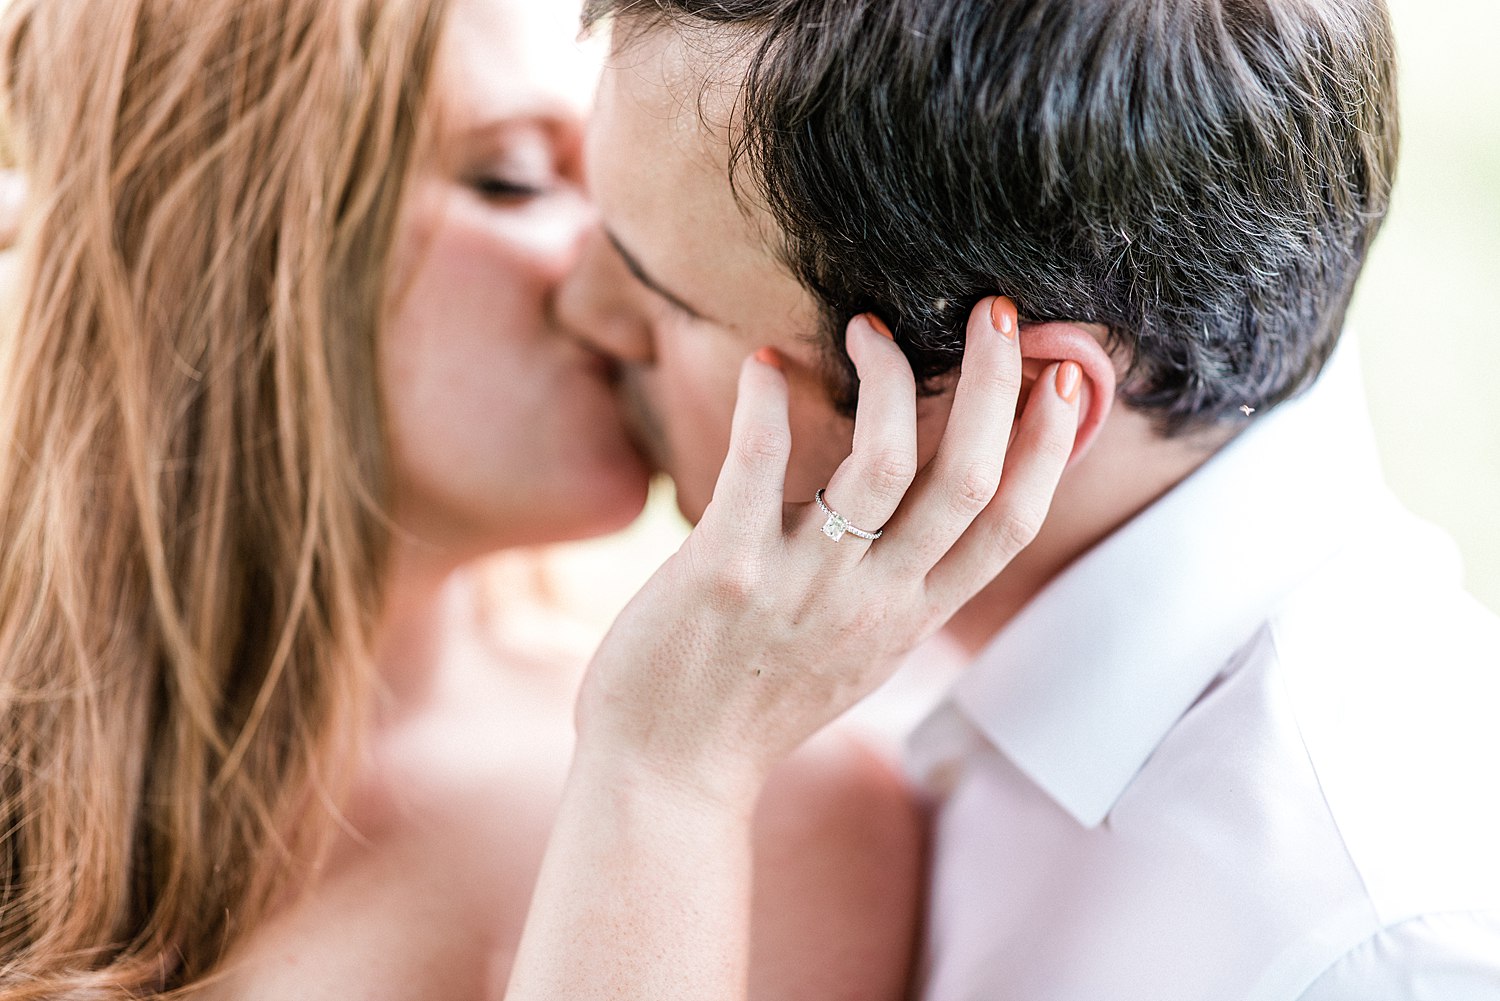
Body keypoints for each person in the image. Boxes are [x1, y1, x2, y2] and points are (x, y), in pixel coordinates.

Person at [0, 0, 1082, 997]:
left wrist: (667, 784)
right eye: (515, 178)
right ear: (215, 261)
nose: (622, 285)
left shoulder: (777, 818)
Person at [566, 0, 1500, 997]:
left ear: (1003, 406)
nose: (578, 307)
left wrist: (656, 781)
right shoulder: (854, 632)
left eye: (663, 293)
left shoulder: (1369, 947)